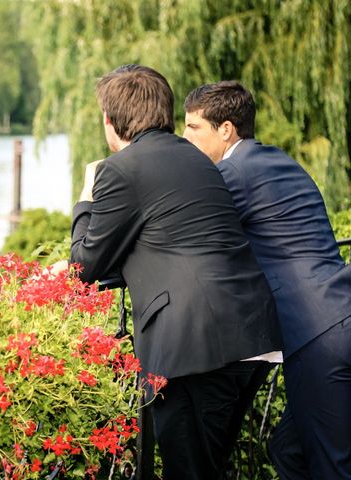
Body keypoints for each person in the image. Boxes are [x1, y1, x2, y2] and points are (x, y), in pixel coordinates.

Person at [70, 64, 282, 480]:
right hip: (248, 335)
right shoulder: (196, 156)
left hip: (195, 347)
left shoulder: (119, 170)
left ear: (110, 123)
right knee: (210, 467)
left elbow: (84, 266)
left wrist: (86, 196)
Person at [183, 81, 351, 479]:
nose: (183, 138)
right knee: (288, 451)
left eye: (192, 128)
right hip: (339, 314)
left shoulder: (231, 173)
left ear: (225, 129)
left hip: (316, 336)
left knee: (332, 467)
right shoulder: (276, 161)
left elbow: (184, 234)